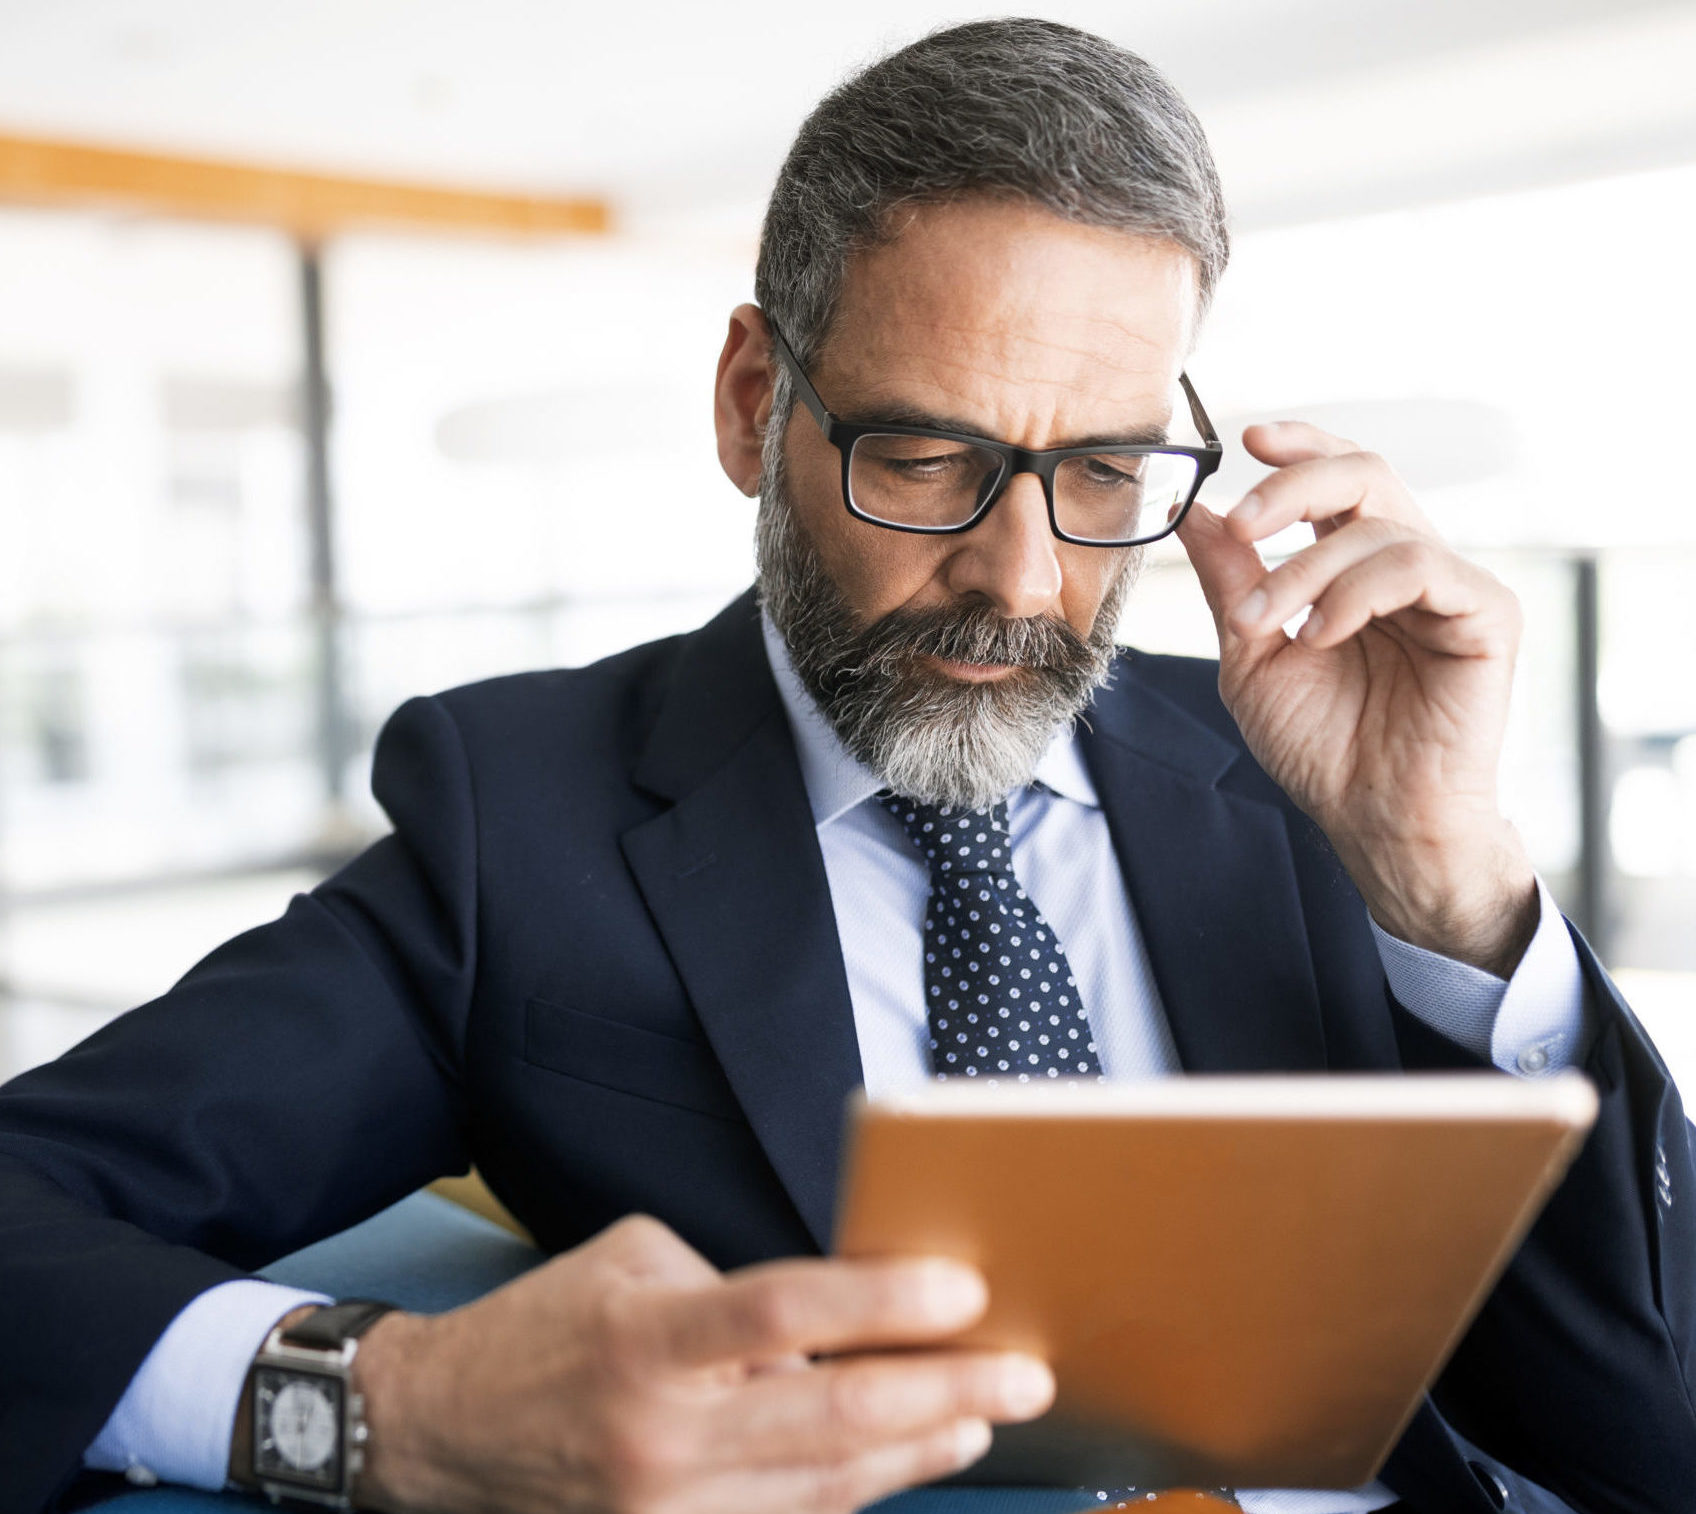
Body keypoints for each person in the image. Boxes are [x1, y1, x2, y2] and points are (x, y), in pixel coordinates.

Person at [1, 18, 1691, 1514]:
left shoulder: (1313, 765)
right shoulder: (519, 816)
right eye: (929, 454)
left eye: (1104, 470)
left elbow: (1642, 1428)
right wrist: (388, 1408)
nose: (1024, 577)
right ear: (755, 403)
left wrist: (1448, 883)